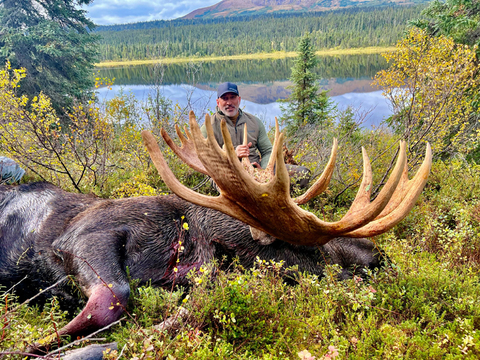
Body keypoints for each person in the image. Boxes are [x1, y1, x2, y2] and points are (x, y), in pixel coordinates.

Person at [201, 82, 310, 188]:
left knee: (303, 174)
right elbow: (203, 158)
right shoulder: (208, 126)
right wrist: (232, 154)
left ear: (239, 99)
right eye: (225, 98)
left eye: (233, 97)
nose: (229, 102)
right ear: (218, 102)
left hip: (256, 169)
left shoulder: (254, 122)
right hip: (227, 173)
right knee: (240, 189)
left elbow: (267, 151)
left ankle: (277, 194)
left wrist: (264, 170)